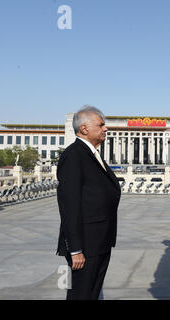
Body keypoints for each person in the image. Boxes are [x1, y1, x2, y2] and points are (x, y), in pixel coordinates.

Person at [56, 105, 121, 300]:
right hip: (85, 244)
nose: (105, 129)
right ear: (84, 128)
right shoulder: (74, 155)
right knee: (80, 294)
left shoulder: (92, 153)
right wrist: (75, 249)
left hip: (99, 240)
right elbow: (70, 205)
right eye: (101, 125)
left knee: (92, 293)